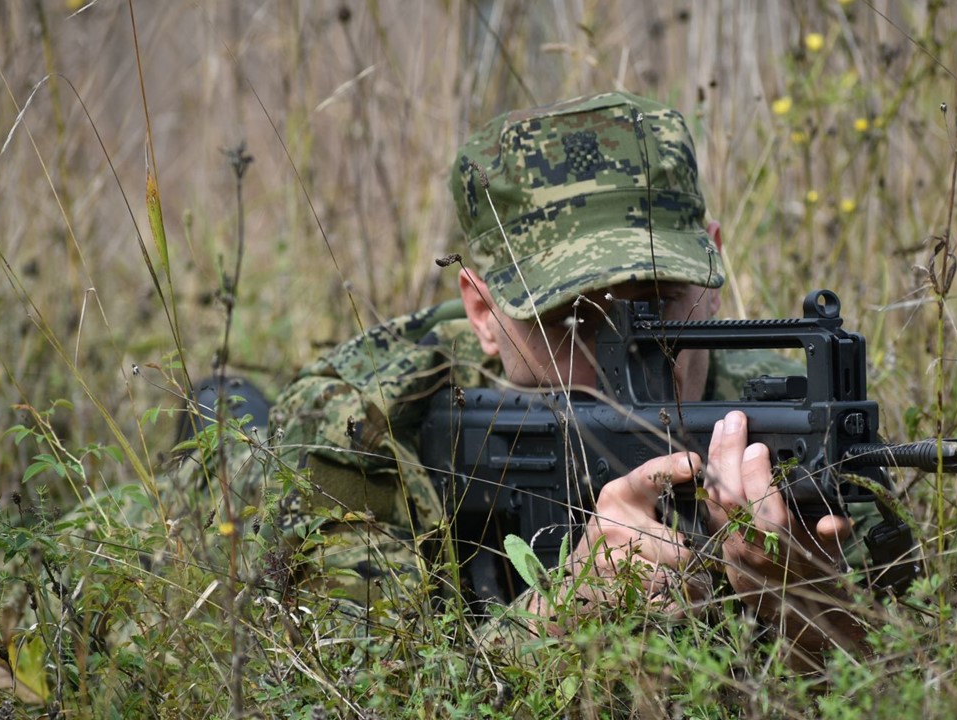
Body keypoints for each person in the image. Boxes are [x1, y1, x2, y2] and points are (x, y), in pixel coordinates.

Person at [261, 91, 863, 661]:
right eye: (569, 318)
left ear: (712, 266)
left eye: (656, 302)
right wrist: (553, 619)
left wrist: (812, 622)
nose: (617, 357)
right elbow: (350, 689)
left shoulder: (794, 421)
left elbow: (899, 670)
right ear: (484, 312)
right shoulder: (361, 422)